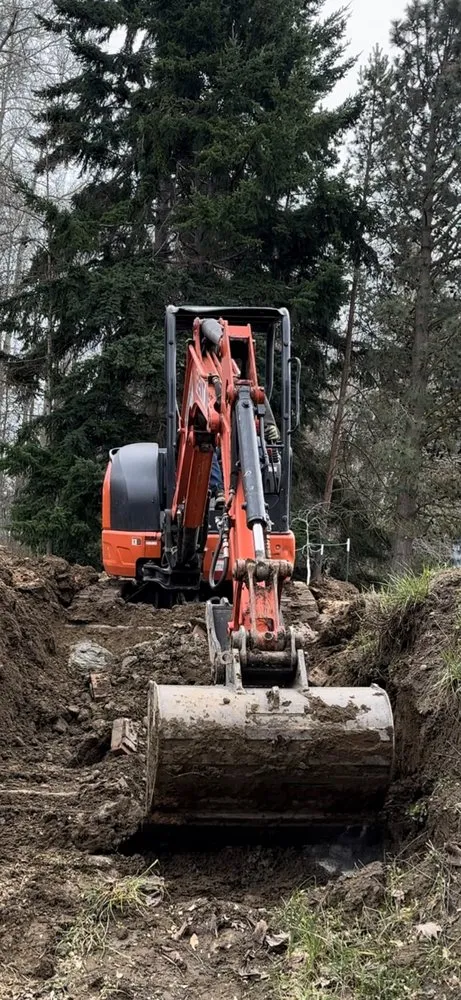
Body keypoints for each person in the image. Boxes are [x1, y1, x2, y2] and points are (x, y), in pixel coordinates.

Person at [210, 398, 280, 510]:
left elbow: (268, 424)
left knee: (258, 443)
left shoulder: (253, 393)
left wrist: (271, 428)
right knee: (207, 448)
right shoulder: (207, 391)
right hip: (218, 447)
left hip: (243, 445)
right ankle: (219, 490)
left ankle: (255, 492)